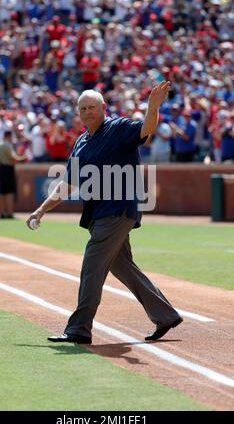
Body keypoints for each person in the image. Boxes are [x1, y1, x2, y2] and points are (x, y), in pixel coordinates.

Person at [27, 82, 183, 344]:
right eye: (83, 108)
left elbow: (146, 130)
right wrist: (41, 209)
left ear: (103, 108)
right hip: (99, 213)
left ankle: (79, 329)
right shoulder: (81, 142)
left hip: (118, 210)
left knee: (92, 267)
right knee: (123, 267)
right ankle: (165, 315)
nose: (88, 112)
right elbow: (69, 182)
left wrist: (152, 107)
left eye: (92, 107)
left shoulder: (119, 128)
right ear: (78, 112)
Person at [0, 130, 25, 219]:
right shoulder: (7, 145)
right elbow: (14, 157)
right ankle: (10, 213)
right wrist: (23, 157)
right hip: (8, 169)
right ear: (8, 136)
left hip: (1, 168)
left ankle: (1, 213)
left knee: (2, 192)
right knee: (9, 192)